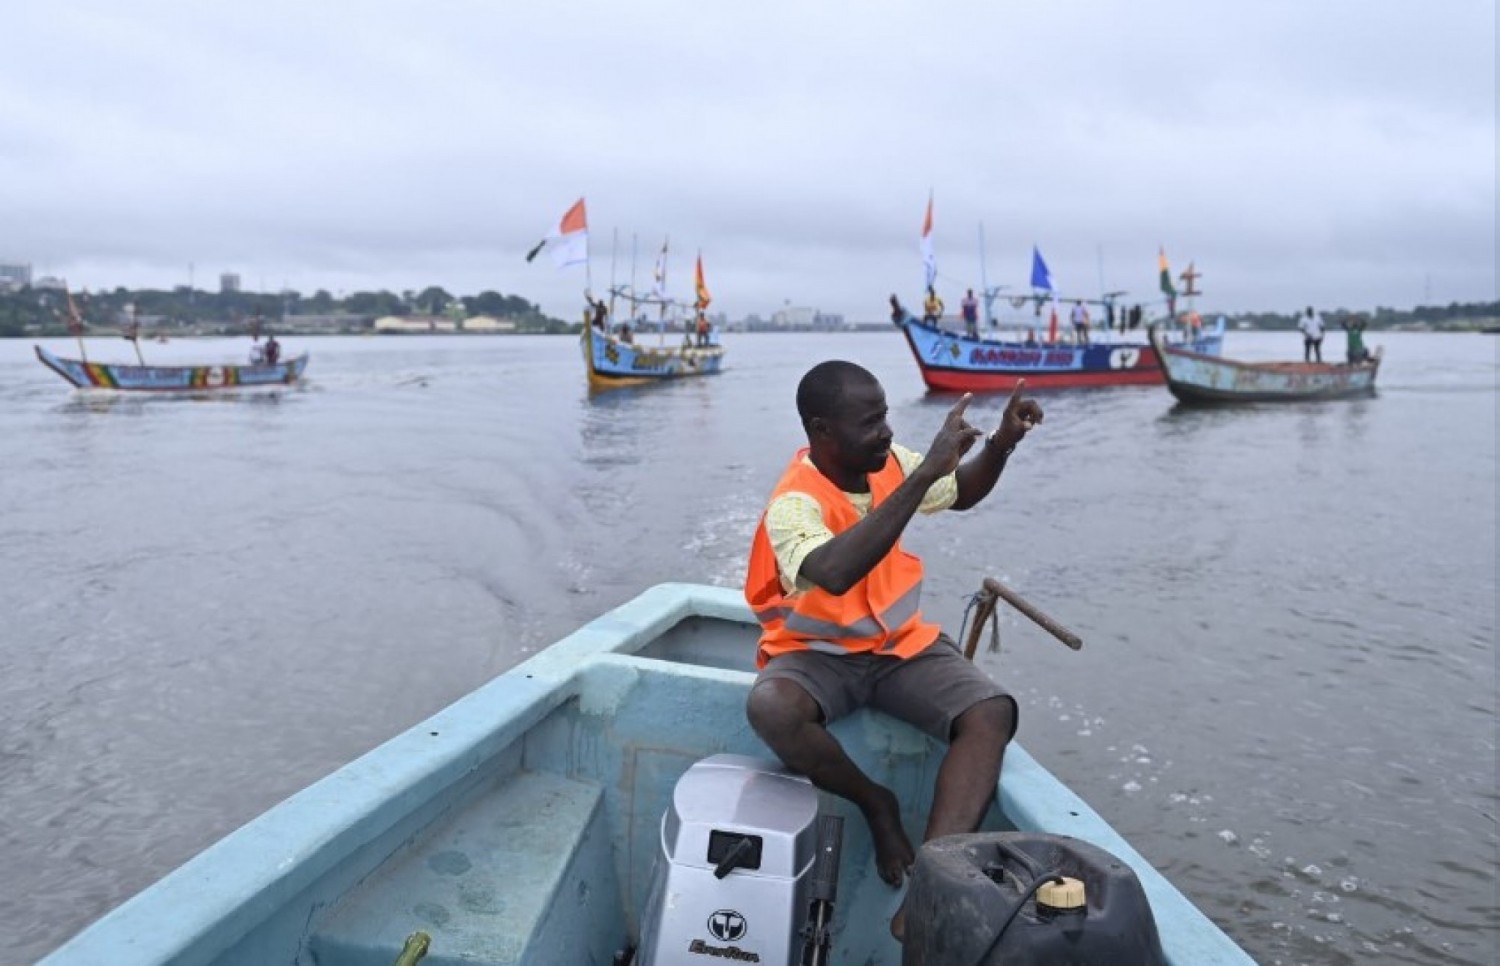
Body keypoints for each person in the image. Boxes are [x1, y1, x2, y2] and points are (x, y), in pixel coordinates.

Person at [744, 361, 1044, 939]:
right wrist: (925, 469)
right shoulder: (793, 504)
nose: (886, 431)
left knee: (992, 711)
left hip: (898, 646)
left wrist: (1003, 442)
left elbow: (961, 493)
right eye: (870, 421)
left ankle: (932, 882)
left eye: (885, 416)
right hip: (817, 654)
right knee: (771, 708)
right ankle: (875, 803)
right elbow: (832, 572)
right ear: (822, 431)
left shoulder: (889, 463)